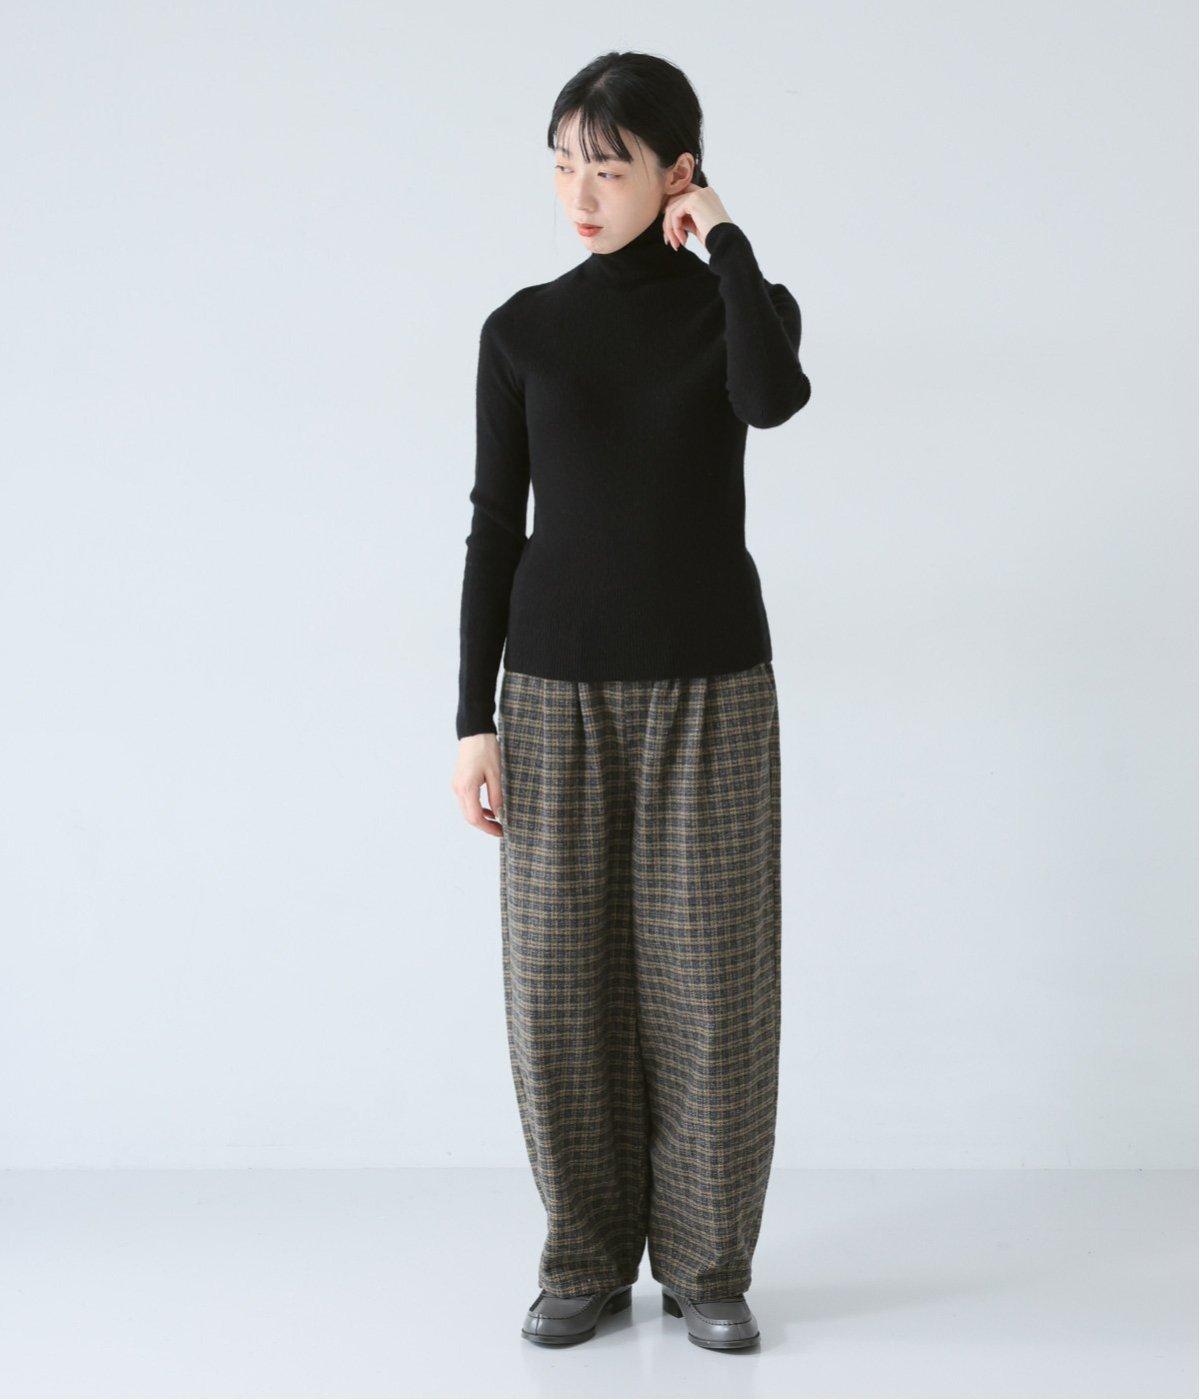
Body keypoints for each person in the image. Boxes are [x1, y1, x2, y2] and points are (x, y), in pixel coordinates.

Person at [450, 50, 811, 1351]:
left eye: (608, 167)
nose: (580, 193)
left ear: (677, 170)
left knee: (712, 984)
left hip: (712, 682)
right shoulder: (522, 330)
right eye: (563, 165)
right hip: (552, 691)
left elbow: (773, 399)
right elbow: (495, 527)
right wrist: (472, 719)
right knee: (561, 987)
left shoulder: (740, 307)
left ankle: (710, 1267)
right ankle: (586, 1257)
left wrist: (727, 243)